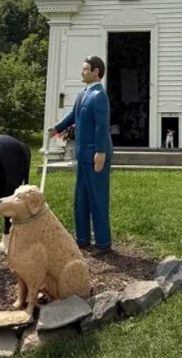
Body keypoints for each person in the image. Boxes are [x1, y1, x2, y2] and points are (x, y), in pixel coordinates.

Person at [48, 56, 114, 255]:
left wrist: (100, 152)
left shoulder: (99, 95)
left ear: (96, 71)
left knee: (98, 199)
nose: (82, 72)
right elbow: (73, 115)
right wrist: (57, 128)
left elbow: (102, 126)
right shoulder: (83, 94)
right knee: (81, 199)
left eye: (85, 69)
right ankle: (82, 239)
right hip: (82, 154)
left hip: (96, 154)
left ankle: (103, 243)